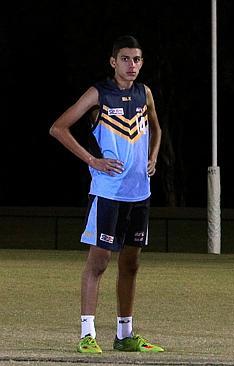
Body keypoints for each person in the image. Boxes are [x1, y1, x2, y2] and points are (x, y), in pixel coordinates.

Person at [49, 35, 164, 354]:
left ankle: (124, 335)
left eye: (137, 59)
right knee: (98, 263)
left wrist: (153, 155)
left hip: (139, 194)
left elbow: (156, 127)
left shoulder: (145, 93)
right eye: (125, 59)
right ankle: (87, 334)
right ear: (113, 62)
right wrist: (93, 160)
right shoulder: (98, 93)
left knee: (130, 265)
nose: (132, 65)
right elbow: (58, 128)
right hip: (108, 193)